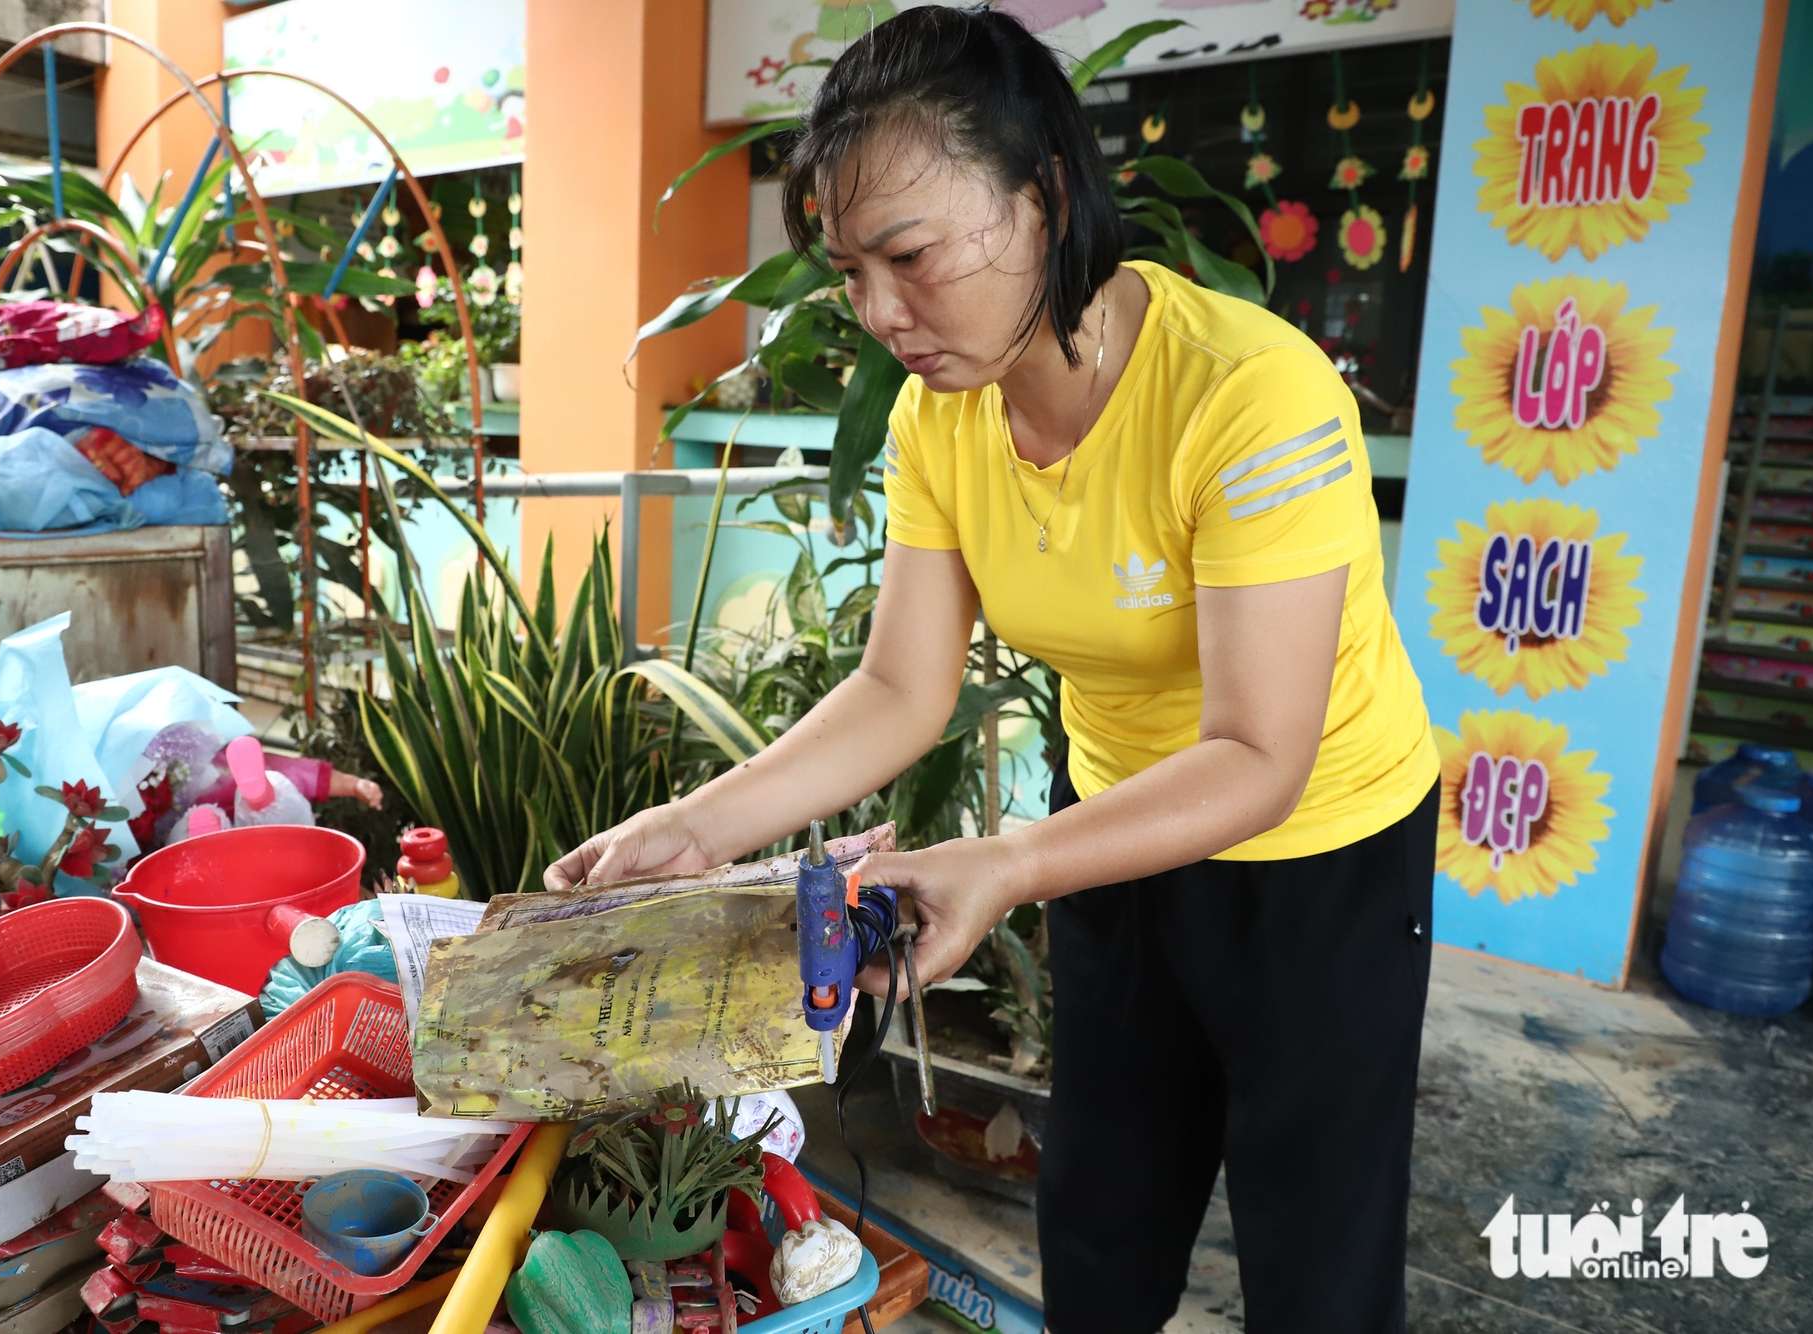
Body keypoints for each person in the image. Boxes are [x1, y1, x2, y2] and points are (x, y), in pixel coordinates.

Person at [547, 8, 1438, 1331]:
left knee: (1316, 1250)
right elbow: (904, 687)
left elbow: (1263, 754)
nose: (879, 313)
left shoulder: (1250, 395)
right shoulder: (942, 415)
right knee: (1103, 1211)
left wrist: (1011, 858)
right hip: (1115, 835)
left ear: (1046, 197)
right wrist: (691, 826)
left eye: (909, 256)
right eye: (850, 272)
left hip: (1321, 856)